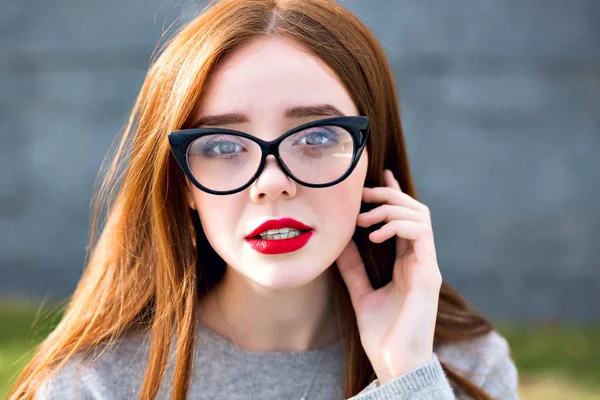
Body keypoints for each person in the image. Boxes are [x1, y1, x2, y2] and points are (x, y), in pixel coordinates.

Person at [10, 0, 519, 399]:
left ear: (370, 155)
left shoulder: (464, 371)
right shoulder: (92, 387)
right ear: (182, 182)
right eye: (223, 146)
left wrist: (405, 378)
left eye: (317, 137)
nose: (271, 183)